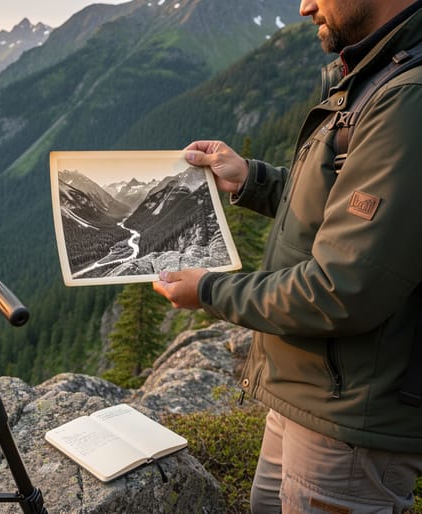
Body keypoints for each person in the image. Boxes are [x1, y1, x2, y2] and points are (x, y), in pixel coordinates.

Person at [152, 0, 422, 512]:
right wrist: (250, 180)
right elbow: (341, 209)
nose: (305, 6)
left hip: (350, 424)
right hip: (312, 394)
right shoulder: (379, 73)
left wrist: (207, 290)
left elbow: (343, 288)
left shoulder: (408, 97)